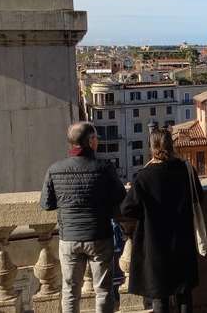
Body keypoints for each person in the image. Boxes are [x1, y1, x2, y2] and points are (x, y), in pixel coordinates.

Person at [40, 122, 126, 313]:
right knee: (103, 291)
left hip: (69, 237)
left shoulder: (54, 169)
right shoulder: (104, 168)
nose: (97, 141)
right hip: (99, 236)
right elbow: (121, 196)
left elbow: (47, 204)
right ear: (90, 141)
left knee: (70, 291)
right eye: (95, 137)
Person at [120, 128, 203, 313]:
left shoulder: (143, 176)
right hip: (182, 241)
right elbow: (199, 197)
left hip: (155, 244)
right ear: (171, 145)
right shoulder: (186, 170)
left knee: (160, 298)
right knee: (184, 295)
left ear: (152, 147)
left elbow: (126, 208)